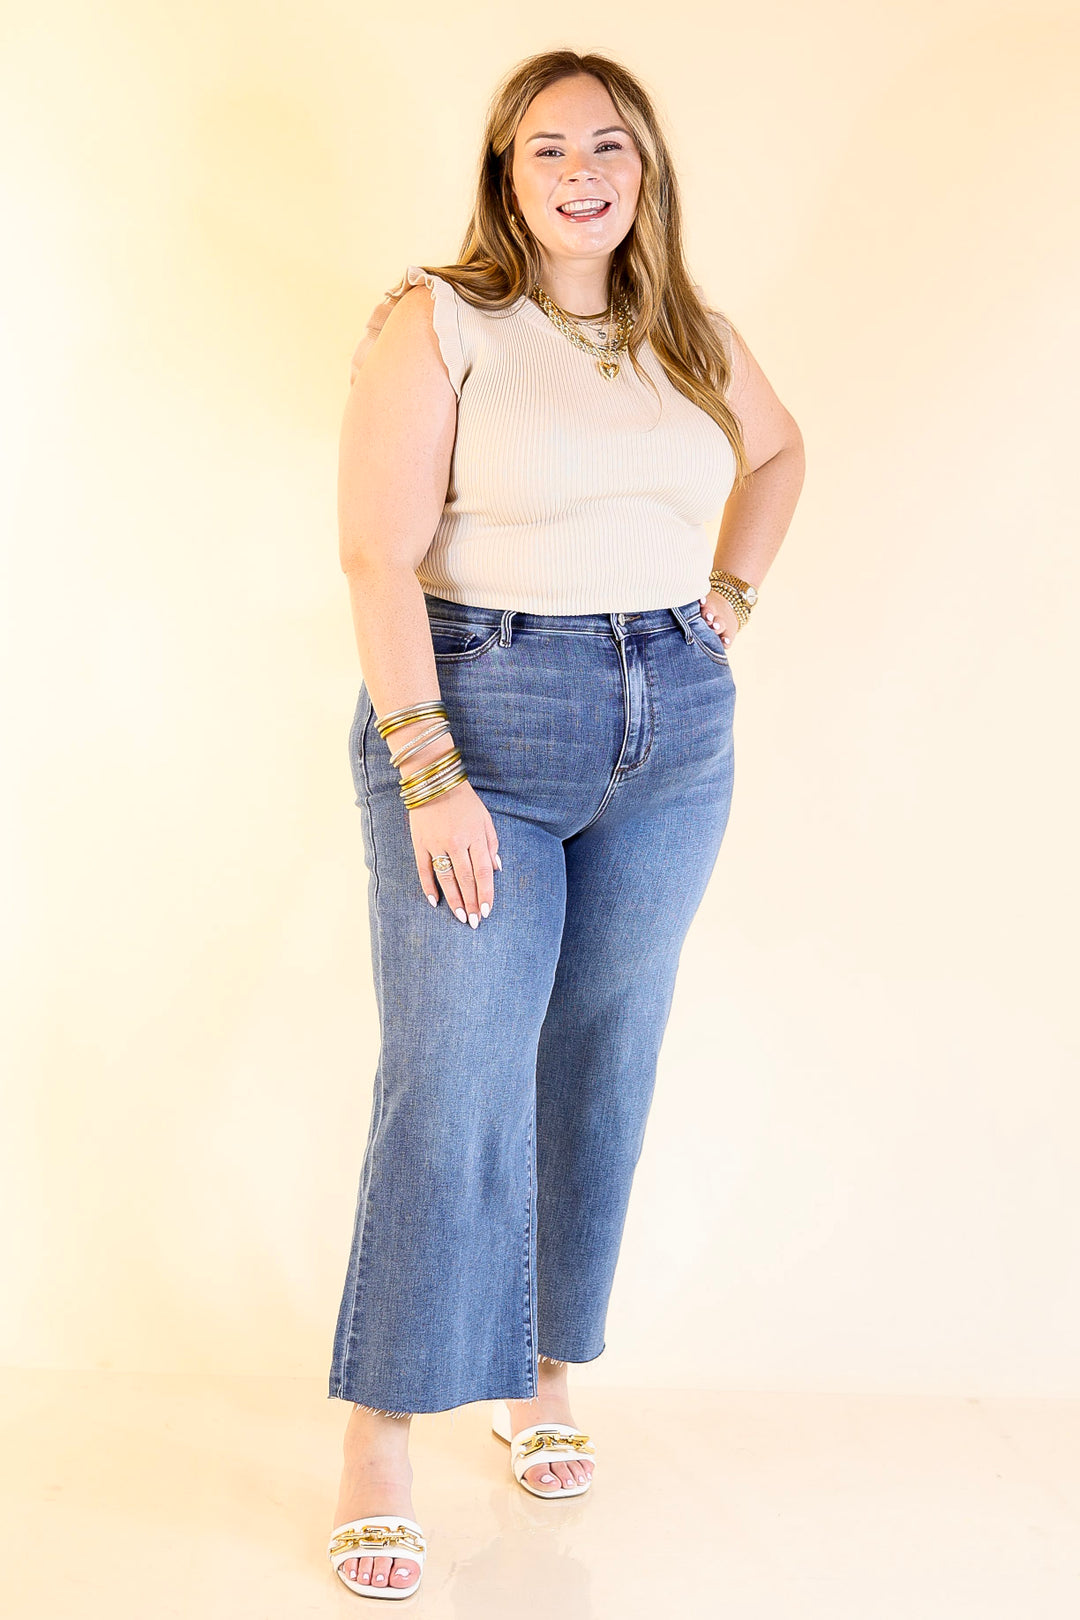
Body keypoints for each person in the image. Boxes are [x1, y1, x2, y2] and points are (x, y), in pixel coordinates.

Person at [326, 48, 805, 1599]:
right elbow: (376, 557)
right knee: (456, 1063)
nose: (581, 172)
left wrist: (726, 596)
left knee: (600, 1057)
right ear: (505, 174)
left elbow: (783, 453)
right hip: (482, 716)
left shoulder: (687, 337)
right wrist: (427, 769)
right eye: (548, 150)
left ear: (645, 169)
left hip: (672, 727)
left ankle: (543, 1375)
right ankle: (382, 1431)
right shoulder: (442, 322)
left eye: (609, 145)